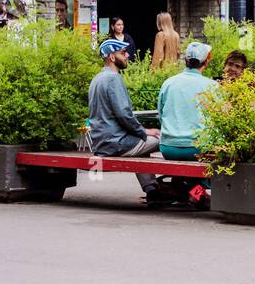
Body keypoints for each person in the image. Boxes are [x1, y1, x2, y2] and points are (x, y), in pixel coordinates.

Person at [88, 38, 164, 206]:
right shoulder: (113, 79)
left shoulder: (97, 79)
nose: (128, 55)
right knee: (164, 140)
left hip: (101, 143)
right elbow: (124, 115)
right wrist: (144, 131)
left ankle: (152, 190)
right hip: (117, 143)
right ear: (112, 57)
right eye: (123, 53)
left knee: (143, 146)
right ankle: (185, 186)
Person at [158, 41, 219, 161]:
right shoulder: (212, 86)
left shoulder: (168, 83)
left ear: (185, 60)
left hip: (169, 148)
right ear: (207, 60)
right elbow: (218, 122)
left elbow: (161, 115)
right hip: (200, 148)